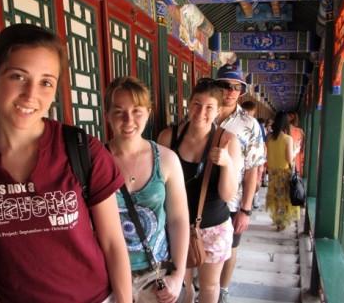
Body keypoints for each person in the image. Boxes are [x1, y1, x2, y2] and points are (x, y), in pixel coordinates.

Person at [0, 24, 132, 303]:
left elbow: (114, 244)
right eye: (18, 76)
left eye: (46, 82)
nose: (31, 95)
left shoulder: (81, 149)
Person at [104, 76, 189, 302]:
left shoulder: (167, 160)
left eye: (137, 111)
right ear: (108, 115)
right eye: (119, 111)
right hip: (107, 274)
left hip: (156, 273)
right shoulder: (96, 161)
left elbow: (179, 220)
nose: (128, 120)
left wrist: (177, 275)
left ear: (149, 113)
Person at [158, 78, 242, 303]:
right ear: (189, 103)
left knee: (210, 286)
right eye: (196, 103)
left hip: (213, 226)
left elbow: (228, 195)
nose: (201, 112)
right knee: (181, 285)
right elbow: (159, 186)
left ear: (218, 110)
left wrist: (226, 164)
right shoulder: (168, 137)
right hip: (175, 225)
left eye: (209, 107)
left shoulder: (227, 141)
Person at [215, 62, 266, 303]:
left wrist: (245, 210)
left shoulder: (249, 125)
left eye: (238, 87)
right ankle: (205, 288)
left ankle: (222, 290)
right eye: (226, 86)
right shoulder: (203, 115)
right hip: (200, 195)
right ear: (217, 87)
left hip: (232, 200)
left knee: (229, 249)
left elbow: (252, 170)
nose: (232, 91)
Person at [265, 111, 300, 231]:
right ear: (286, 123)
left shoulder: (269, 137)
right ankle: (282, 223)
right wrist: (296, 151)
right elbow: (289, 159)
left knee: (275, 197)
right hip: (284, 172)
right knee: (284, 199)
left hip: (272, 171)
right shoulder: (287, 139)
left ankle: (277, 220)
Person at [240, 101, 265, 209]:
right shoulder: (235, 122)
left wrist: (261, 165)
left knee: (254, 181)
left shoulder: (256, 125)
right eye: (246, 114)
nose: (249, 118)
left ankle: (252, 198)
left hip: (252, 161)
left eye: (251, 115)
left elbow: (262, 144)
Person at [288, 111, 305, 177]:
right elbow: (302, 148)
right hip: (297, 160)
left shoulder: (284, 131)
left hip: (285, 161)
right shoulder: (300, 132)